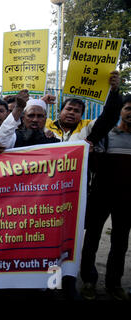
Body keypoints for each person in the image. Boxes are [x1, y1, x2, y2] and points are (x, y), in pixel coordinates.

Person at [79, 95, 131, 301]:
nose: (130, 113)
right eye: (128, 108)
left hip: (127, 200)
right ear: (121, 110)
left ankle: (114, 284)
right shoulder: (106, 136)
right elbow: (92, 165)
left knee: (120, 242)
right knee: (91, 239)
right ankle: (89, 281)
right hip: (101, 196)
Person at [46, 71, 121, 142]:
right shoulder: (46, 124)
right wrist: (41, 102)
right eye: (69, 109)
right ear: (60, 111)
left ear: (81, 115)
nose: (72, 112)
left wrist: (114, 92)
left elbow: (109, 118)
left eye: (76, 111)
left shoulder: (87, 126)